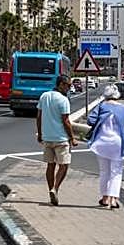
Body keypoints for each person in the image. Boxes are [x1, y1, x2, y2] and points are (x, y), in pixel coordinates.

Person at [87, 84, 124, 210]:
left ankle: (104, 198)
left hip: (101, 143)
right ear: (117, 96)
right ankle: (113, 199)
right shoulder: (123, 109)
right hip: (117, 143)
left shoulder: (102, 106)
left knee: (104, 171)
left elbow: (90, 120)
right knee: (116, 172)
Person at [36, 74, 77, 206]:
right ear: (60, 84)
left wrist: (40, 134)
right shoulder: (63, 100)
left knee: (50, 165)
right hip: (61, 138)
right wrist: (72, 138)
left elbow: (39, 117)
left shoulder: (44, 96)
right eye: (68, 85)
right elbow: (66, 121)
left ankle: (50, 190)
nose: (69, 88)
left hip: (47, 137)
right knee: (64, 165)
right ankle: (55, 189)